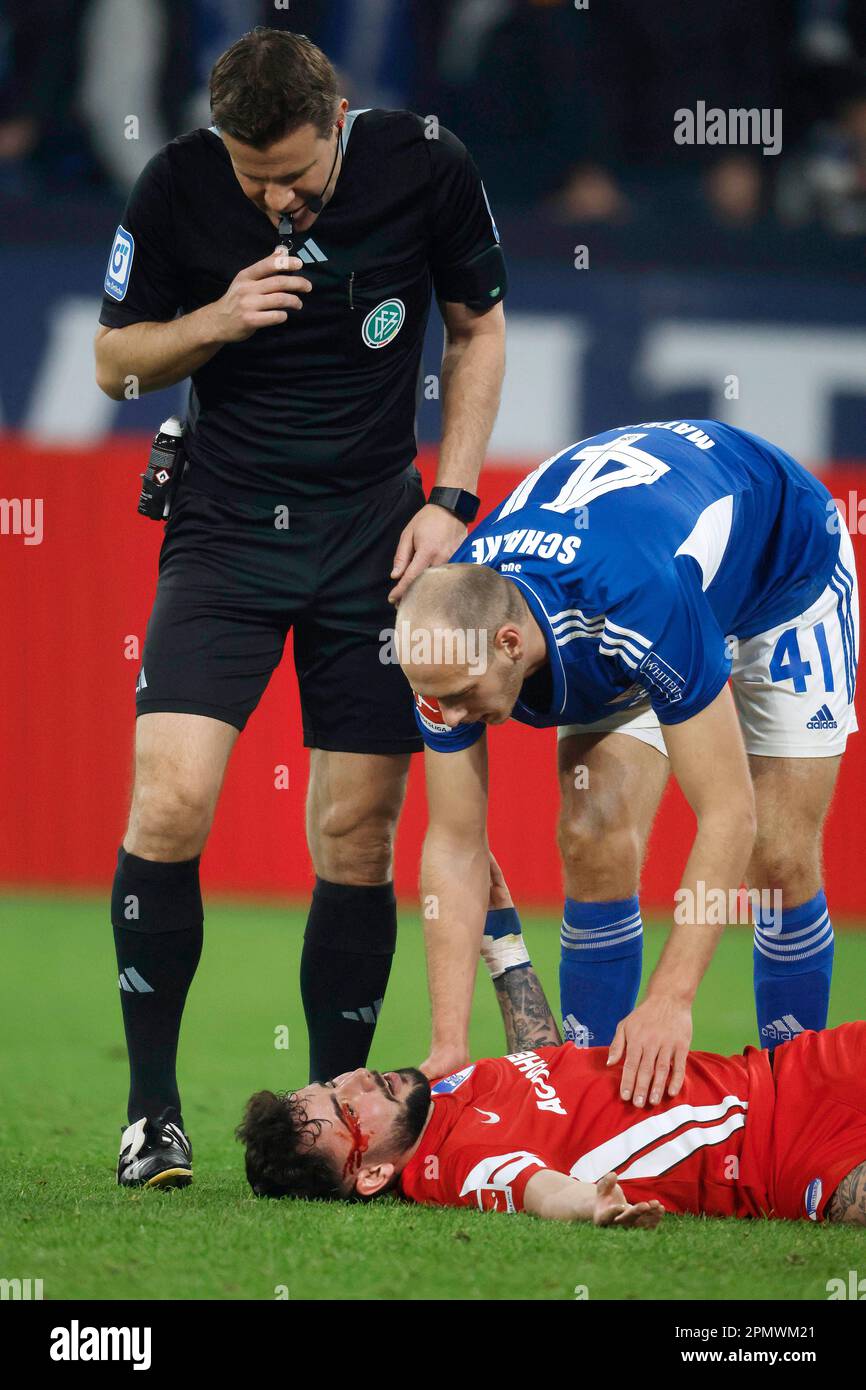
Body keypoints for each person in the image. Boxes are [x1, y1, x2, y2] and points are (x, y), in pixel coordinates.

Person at [96, 26, 506, 1188]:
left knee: (355, 830)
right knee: (169, 800)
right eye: (252, 175)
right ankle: (151, 1113)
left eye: (294, 174)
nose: (275, 197)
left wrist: (453, 498)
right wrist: (214, 321)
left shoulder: (424, 165)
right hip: (223, 531)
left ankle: (340, 1124)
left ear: (338, 120)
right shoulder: (177, 182)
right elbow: (113, 365)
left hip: (371, 538)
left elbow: (477, 326)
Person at [395, 419, 858, 1108]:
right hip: (637, 581)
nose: (450, 716)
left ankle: (796, 1104)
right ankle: (587, 1095)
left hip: (783, 572)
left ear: (510, 643)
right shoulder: (447, 655)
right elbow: (456, 841)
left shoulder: (632, 603)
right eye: (436, 701)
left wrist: (671, 998)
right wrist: (449, 1044)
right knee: (592, 827)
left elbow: (727, 814)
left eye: (463, 698)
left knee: (778, 853)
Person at [237, 900, 866, 1226]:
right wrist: (591, 1206)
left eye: (328, 1081)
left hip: (796, 1071)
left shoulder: (438, 1098)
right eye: (347, 1107)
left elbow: (539, 1062)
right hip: (792, 1166)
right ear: (370, 1175)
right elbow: (536, 1190)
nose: (356, 1078)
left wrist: (503, 942)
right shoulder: (453, 1168)